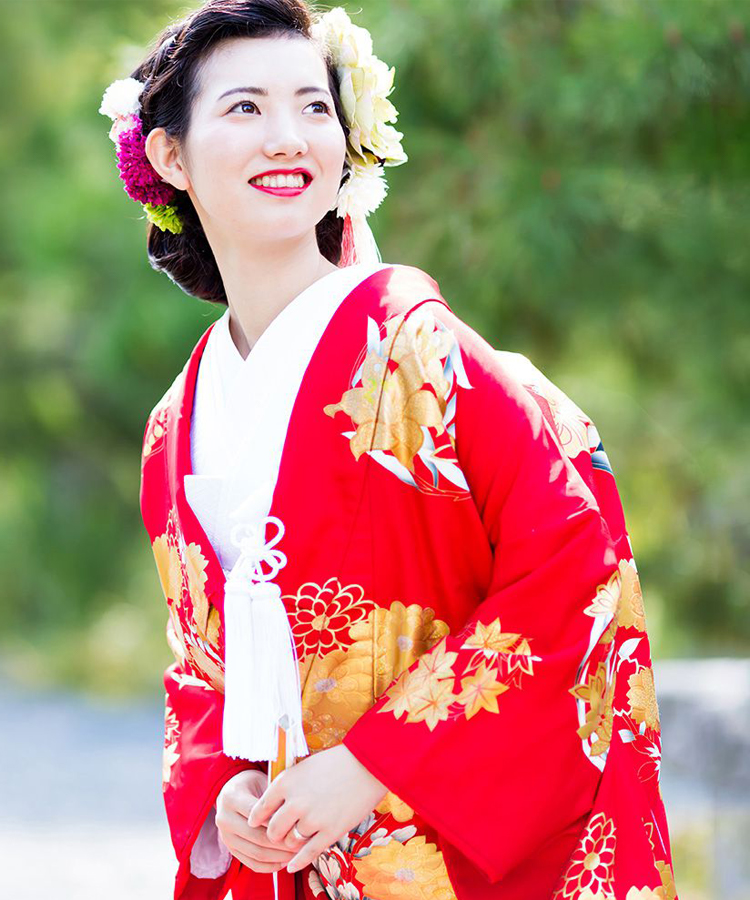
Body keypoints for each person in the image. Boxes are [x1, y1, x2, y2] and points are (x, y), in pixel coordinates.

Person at [100, 1, 679, 899]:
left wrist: (374, 764)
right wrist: (226, 790)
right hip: (284, 853)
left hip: (429, 844)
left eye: (315, 106)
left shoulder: (418, 350)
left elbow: (573, 563)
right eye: (245, 108)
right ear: (169, 156)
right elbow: (199, 663)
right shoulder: (174, 422)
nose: (288, 138)